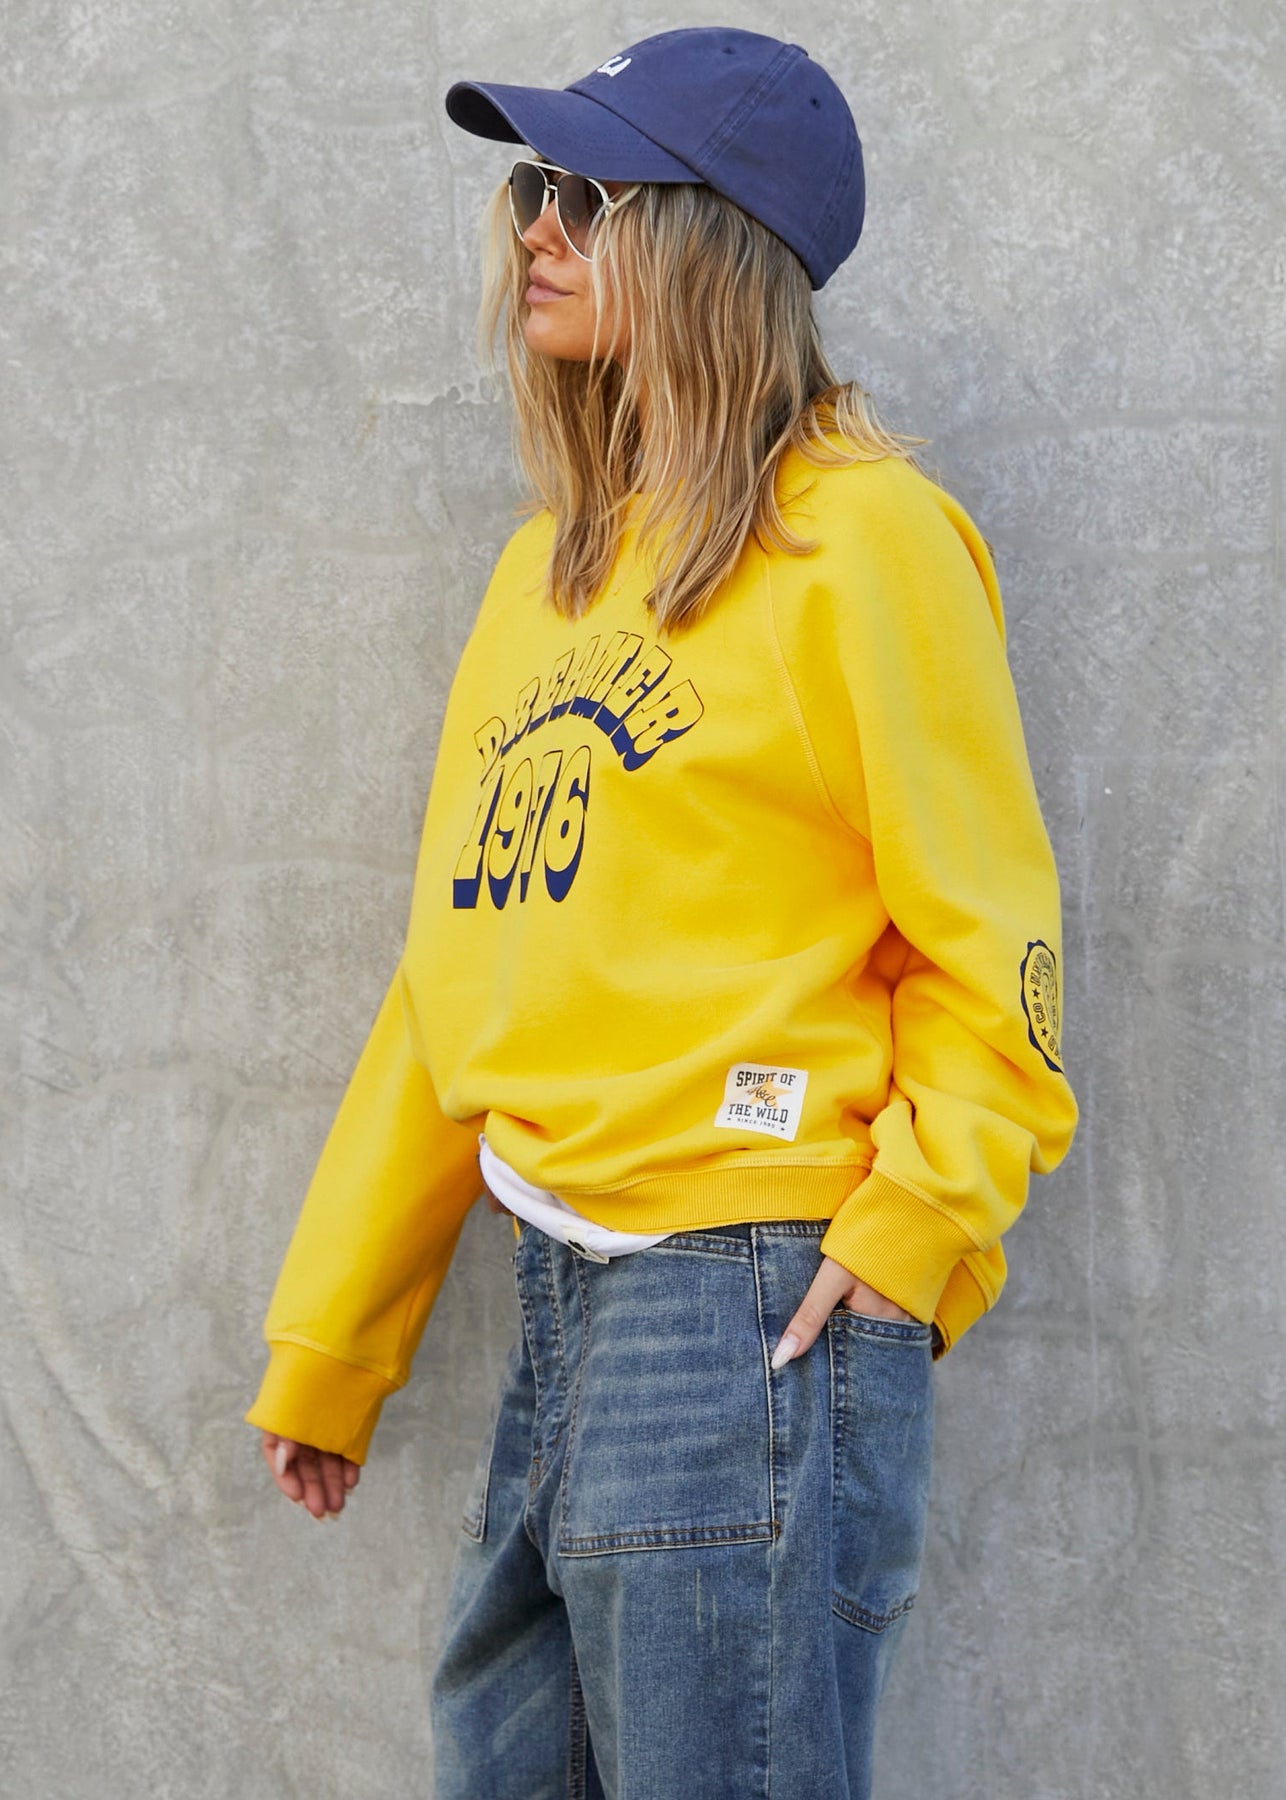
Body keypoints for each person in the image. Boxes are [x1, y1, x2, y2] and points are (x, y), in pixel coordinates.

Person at [244, 26, 1079, 1799]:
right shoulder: (543, 577)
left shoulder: (864, 541)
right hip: (561, 1294)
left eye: (588, 196)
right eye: (529, 192)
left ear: (713, 240)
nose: (535, 231)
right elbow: (455, 982)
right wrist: (336, 1337)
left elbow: (987, 931)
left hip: (750, 1292)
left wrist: (910, 1233)